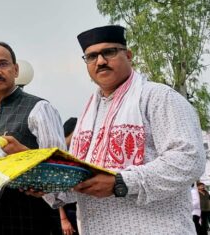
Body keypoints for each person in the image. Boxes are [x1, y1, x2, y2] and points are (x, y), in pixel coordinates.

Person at [70, 25, 205, 233]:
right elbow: (85, 181)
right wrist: (44, 182)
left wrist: (121, 182)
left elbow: (189, 159)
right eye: (92, 56)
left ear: (129, 55)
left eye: (109, 52)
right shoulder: (89, 113)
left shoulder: (159, 97)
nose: (100, 61)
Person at [0, 41, 66, 234]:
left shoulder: (39, 109)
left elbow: (60, 167)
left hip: (33, 214)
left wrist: (24, 154)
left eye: (3, 64)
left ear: (15, 69)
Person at [59, 118, 78, 235]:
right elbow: (54, 192)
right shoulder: (59, 155)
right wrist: (63, 219)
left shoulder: (74, 152)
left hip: (78, 207)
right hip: (65, 210)